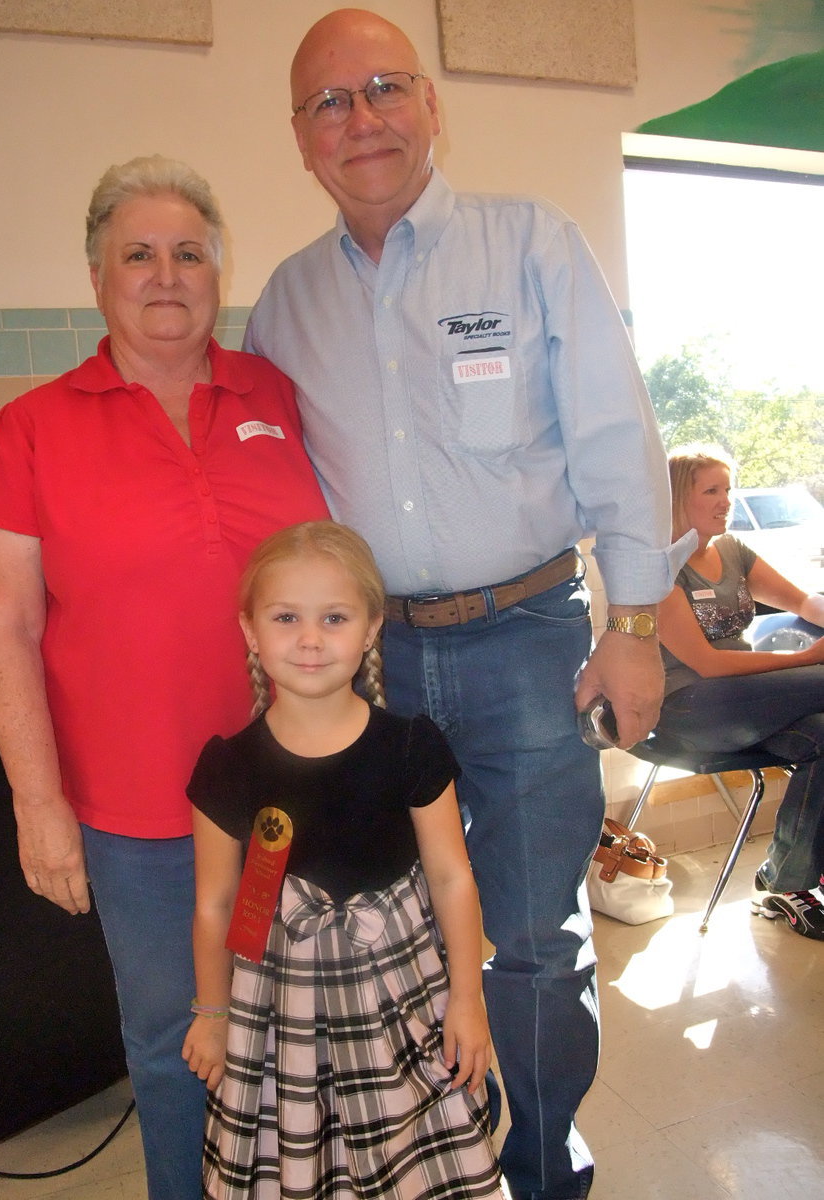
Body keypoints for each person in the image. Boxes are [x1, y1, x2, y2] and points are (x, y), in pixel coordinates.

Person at [242, 11, 694, 1198]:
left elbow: (615, 439)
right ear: (300, 140)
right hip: (372, 670)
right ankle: (442, 1167)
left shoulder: (533, 246)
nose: (362, 118)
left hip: (531, 642)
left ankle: (542, 1174)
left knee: (535, 947)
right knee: (398, 944)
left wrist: (633, 627)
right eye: (329, 103)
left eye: (385, 87)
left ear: (432, 105)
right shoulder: (283, 308)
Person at [0, 155, 329, 1200]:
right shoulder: (34, 426)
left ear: (221, 269)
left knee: (302, 1035)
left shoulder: (274, 393)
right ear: (97, 277)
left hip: (292, 801)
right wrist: (40, 806)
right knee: (185, 1049)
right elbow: (5, 627)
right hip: (144, 825)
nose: (166, 274)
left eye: (190, 252)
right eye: (139, 254)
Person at [182, 520, 504, 1200]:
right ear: (250, 630)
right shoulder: (226, 767)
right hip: (275, 1014)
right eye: (285, 617)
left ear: (370, 628)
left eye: (333, 617)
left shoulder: (412, 747)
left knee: (410, 1157)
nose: (309, 639)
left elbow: (451, 877)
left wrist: (468, 1000)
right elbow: (218, 905)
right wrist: (213, 1017)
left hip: (402, 999)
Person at [656, 445, 824, 938]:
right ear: (677, 499)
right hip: (688, 707)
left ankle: (782, 884)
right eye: (711, 490)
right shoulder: (660, 567)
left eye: (727, 490)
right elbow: (705, 664)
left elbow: (798, 601)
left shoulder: (733, 552)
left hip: (753, 699)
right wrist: (803, 660)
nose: (725, 501)